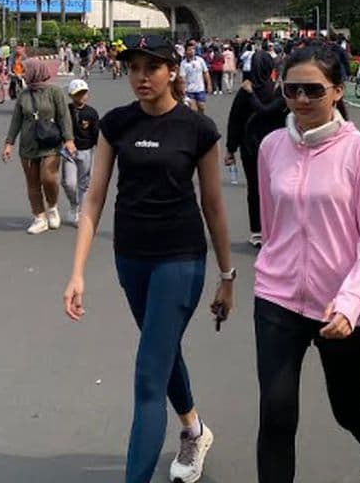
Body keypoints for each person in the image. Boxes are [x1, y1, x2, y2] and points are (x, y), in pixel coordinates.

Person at [63, 33, 236, 483]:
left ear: (172, 70)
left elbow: (213, 205)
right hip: (131, 258)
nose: (141, 77)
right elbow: (94, 198)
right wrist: (77, 272)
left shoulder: (197, 129)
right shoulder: (117, 124)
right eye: (134, 68)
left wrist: (227, 275)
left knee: (147, 376)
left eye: (152, 67)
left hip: (180, 259)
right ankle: (195, 430)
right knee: (164, 350)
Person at [255, 42, 360, 483]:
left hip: (344, 308)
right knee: (276, 413)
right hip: (277, 298)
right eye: (291, 89)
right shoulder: (272, 146)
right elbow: (270, 222)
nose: (301, 99)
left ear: (337, 90)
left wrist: (351, 301)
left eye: (313, 90)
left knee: (347, 408)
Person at [2, 58, 76, 234]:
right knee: (33, 182)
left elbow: (64, 116)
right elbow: (16, 120)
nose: (23, 74)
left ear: (36, 71)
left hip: (50, 143)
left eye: (26, 71)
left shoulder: (55, 92)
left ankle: (52, 206)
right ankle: (39, 217)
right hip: (28, 144)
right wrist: (9, 143)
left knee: (48, 178)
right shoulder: (24, 95)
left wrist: (69, 139)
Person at [225, 52, 286, 248]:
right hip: (277, 147)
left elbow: (235, 120)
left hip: (250, 145)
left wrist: (230, 149)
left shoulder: (246, 90)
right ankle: (276, 228)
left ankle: (257, 230)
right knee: (276, 187)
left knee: (254, 188)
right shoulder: (278, 90)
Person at [62, 78, 100, 226]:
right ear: (71, 95)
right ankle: (74, 204)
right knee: (69, 183)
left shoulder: (91, 113)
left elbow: (96, 133)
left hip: (86, 151)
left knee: (84, 184)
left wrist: (100, 151)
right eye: (78, 93)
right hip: (69, 152)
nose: (81, 96)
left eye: (84, 93)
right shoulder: (65, 111)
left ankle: (82, 213)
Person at [180, 43, 211, 112]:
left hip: (200, 88)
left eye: (193, 49)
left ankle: (201, 118)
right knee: (194, 110)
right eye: (189, 50)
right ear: (186, 51)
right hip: (189, 90)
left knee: (201, 107)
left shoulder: (200, 60)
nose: (192, 51)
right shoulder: (183, 63)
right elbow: (183, 77)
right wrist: (183, 89)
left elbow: (206, 72)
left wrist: (209, 84)